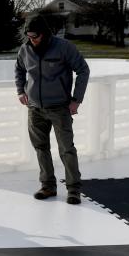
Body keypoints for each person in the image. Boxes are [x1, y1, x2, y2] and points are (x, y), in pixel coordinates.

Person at [14, 16, 90, 205]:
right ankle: (48, 186)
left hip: (59, 108)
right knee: (41, 148)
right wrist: (20, 91)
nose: (32, 39)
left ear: (45, 33)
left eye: (36, 36)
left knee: (67, 149)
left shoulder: (64, 47)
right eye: (29, 36)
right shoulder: (25, 49)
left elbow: (83, 70)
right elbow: (19, 69)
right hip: (35, 108)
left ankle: (74, 190)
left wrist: (76, 100)